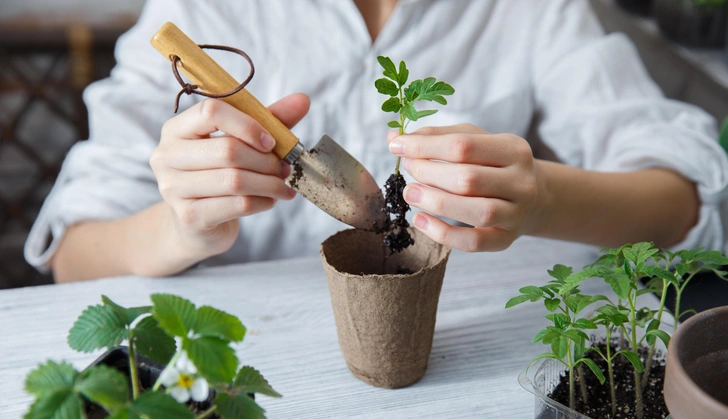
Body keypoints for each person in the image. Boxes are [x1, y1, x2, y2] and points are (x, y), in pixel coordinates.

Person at [24, 0, 728, 283]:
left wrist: (543, 198)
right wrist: (180, 229)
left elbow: (686, 201)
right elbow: (73, 256)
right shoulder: (201, 7)